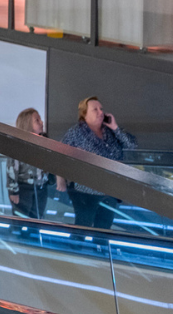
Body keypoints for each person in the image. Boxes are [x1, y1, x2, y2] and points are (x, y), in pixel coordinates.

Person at [57, 97, 138, 230]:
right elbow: (59, 154)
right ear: (84, 114)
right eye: (95, 109)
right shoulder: (75, 132)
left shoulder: (110, 131)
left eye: (101, 109)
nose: (101, 112)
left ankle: (101, 249)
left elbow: (132, 145)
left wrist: (115, 127)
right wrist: (60, 179)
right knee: (84, 225)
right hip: (86, 191)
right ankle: (76, 249)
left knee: (104, 228)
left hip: (110, 190)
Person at [8, 108, 51, 220]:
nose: (41, 122)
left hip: (41, 187)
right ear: (27, 124)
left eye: (40, 119)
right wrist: (13, 191)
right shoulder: (18, 144)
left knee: (38, 218)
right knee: (22, 219)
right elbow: (12, 169)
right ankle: (21, 236)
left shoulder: (45, 141)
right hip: (24, 188)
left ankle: (35, 236)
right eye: (37, 120)